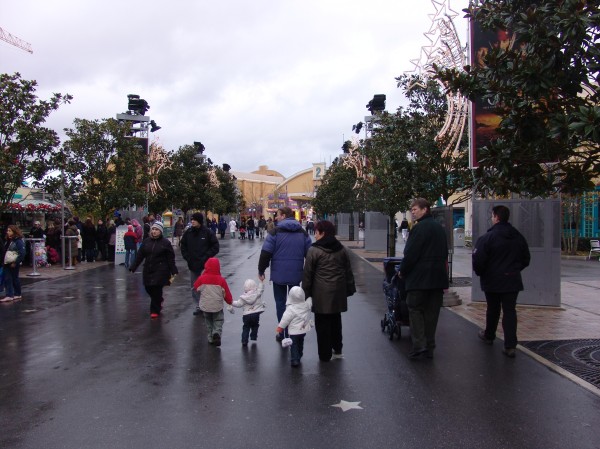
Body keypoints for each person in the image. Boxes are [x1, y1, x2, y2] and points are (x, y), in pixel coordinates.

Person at [473, 205, 530, 358]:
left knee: (493, 308)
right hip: (512, 279)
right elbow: (526, 258)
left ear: (496, 217)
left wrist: (482, 272)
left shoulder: (488, 238)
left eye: (492, 216)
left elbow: (478, 260)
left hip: (492, 280)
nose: (492, 218)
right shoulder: (518, 236)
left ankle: (489, 335)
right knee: (510, 311)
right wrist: (514, 269)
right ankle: (510, 345)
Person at [400, 198, 449, 360]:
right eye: (412, 210)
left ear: (425, 209)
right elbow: (444, 252)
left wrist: (402, 271)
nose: (412, 212)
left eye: (415, 209)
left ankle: (419, 345)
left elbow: (410, 254)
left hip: (419, 279)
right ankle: (430, 347)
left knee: (415, 310)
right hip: (438, 278)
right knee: (432, 314)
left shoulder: (418, 229)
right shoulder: (439, 228)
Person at [302, 220, 356, 362]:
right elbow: (348, 270)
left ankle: (324, 355)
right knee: (336, 321)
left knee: (322, 324)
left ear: (323, 233)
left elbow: (307, 274)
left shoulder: (314, 250)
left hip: (320, 293)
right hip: (338, 291)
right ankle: (337, 350)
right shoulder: (341, 249)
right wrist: (349, 288)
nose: (315, 235)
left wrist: (305, 293)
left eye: (316, 232)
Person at [258, 206, 312, 342]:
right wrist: (309, 273)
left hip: (279, 275)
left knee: (280, 303)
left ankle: (282, 331)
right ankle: (294, 330)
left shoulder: (274, 232)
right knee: (295, 302)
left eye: (278, 215)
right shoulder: (302, 232)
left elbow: (266, 253)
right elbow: (310, 255)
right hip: (296, 274)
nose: (276, 217)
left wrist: (261, 270)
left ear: (283, 216)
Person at [130, 221, 178, 319]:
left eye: (157, 230)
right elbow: (140, 255)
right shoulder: (146, 241)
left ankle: (154, 310)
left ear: (161, 231)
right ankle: (159, 300)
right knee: (148, 287)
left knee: (156, 289)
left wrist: (173, 270)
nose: (154, 231)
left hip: (161, 269)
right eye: (153, 229)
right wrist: (133, 267)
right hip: (148, 268)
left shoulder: (165, 243)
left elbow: (170, 258)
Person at [180, 212, 220, 316]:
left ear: (199, 221)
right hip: (193, 265)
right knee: (195, 286)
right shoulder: (188, 233)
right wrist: (188, 258)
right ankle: (198, 306)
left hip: (205, 265)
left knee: (206, 286)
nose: (192, 221)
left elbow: (215, 247)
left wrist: (206, 257)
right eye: (192, 220)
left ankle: (207, 305)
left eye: (194, 220)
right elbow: (183, 246)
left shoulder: (207, 232)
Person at [193, 257, 233, 346]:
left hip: (205, 305)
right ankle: (216, 333)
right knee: (218, 320)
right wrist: (230, 301)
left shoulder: (202, 279)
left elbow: (196, 287)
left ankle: (210, 338)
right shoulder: (221, 280)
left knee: (208, 321)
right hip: (217, 306)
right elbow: (226, 294)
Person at [275, 286, 313, 367]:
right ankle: (300, 353)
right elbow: (310, 301)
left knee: (294, 345)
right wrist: (310, 296)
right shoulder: (306, 305)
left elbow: (285, 319)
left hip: (293, 332)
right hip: (303, 330)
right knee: (300, 342)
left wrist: (280, 328)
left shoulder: (290, 308)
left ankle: (295, 359)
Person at [228, 278, 266, 347]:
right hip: (255, 314)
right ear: (255, 286)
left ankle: (244, 341)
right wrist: (261, 281)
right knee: (255, 325)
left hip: (246, 315)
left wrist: (231, 302)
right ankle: (253, 336)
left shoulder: (243, 298)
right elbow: (261, 289)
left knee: (246, 327)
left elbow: (238, 304)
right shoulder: (257, 294)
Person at [1, 225, 26, 302]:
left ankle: (10, 295)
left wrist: (16, 262)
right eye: (7, 231)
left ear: (14, 232)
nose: (7, 232)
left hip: (12, 262)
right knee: (12, 278)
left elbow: (22, 253)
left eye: (9, 231)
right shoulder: (9, 240)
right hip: (7, 262)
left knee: (10, 278)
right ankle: (17, 294)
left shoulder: (18, 241)